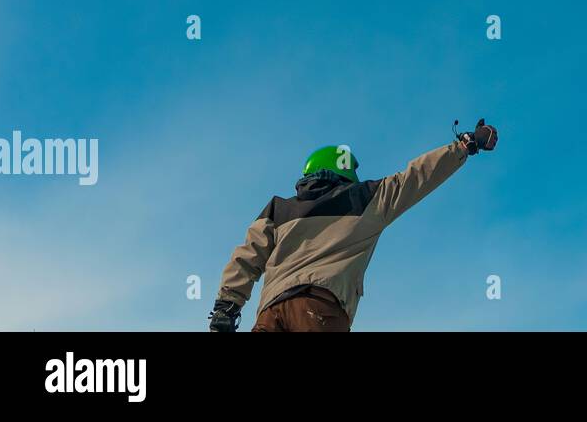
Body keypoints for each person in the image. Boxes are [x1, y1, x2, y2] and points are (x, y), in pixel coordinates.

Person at [207, 120, 498, 332]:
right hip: (319, 310)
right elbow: (416, 177)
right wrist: (464, 145)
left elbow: (247, 257)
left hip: (270, 314)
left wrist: (226, 307)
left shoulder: (277, 208)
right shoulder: (366, 199)